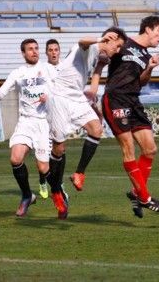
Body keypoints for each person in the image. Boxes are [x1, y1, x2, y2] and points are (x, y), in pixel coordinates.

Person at [0, 39, 67, 219]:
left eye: (36, 48)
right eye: (30, 49)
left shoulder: (49, 69)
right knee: (15, 159)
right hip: (25, 122)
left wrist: (50, 96)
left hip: (44, 124)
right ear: (23, 53)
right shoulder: (17, 73)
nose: (35, 52)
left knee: (44, 168)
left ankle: (58, 194)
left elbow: (62, 90)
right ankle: (27, 195)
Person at [101, 16, 159, 218]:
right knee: (128, 149)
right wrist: (105, 40)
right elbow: (103, 52)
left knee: (150, 149)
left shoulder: (147, 55)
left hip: (134, 101)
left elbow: (141, 82)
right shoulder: (124, 43)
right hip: (115, 99)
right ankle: (145, 198)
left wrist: (149, 68)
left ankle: (135, 193)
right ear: (147, 29)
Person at [47, 27, 127, 199]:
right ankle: (55, 190)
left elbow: (94, 79)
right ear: (109, 39)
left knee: (96, 129)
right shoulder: (88, 47)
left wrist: (99, 68)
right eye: (117, 45)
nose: (118, 50)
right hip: (59, 96)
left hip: (76, 96)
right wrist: (101, 37)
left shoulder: (98, 56)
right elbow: (82, 41)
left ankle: (79, 174)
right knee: (59, 148)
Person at [37, 38, 62, 200]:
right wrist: (40, 94)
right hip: (42, 117)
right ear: (46, 52)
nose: (53, 52)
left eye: (56, 49)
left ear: (59, 51)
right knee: (44, 154)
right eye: (50, 50)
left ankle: (56, 182)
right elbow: (35, 85)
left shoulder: (65, 68)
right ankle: (43, 181)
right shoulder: (41, 68)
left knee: (58, 152)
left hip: (59, 117)